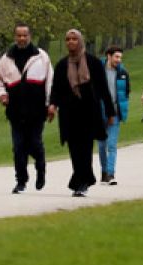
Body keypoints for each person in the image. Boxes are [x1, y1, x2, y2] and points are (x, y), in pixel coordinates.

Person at [48, 30, 116, 197]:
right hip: (69, 113)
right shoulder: (62, 65)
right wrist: (52, 105)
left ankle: (81, 183)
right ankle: (83, 178)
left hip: (88, 112)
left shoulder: (93, 63)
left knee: (85, 148)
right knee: (74, 149)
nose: (71, 42)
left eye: (74, 39)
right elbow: (56, 89)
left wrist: (110, 112)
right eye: (68, 39)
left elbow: (103, 89)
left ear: (80, 41)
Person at [0, 23, 54, 194]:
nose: (21, 38)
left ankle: (41, 170)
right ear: (15, 37)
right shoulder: (6, 58)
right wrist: (2, 94)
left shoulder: (41, 56)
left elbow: (50, 81)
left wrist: (51, 104)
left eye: (25, 35)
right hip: (15, 111)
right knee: (18, 147)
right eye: (18, 35)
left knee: (35, 144)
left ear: (30, 36)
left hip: (37, 110)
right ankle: (21, 181)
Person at [98, 46, 130, 185]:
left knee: (112, 144)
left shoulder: (122, 73)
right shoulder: (97, 70)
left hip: (115, 112)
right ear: (108, 56)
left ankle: (111, 174)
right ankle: (104, 172)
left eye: (120, 57)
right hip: (99, 112)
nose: (119, 60)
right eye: (116, 57)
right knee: (101, 145)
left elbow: (126, 92)